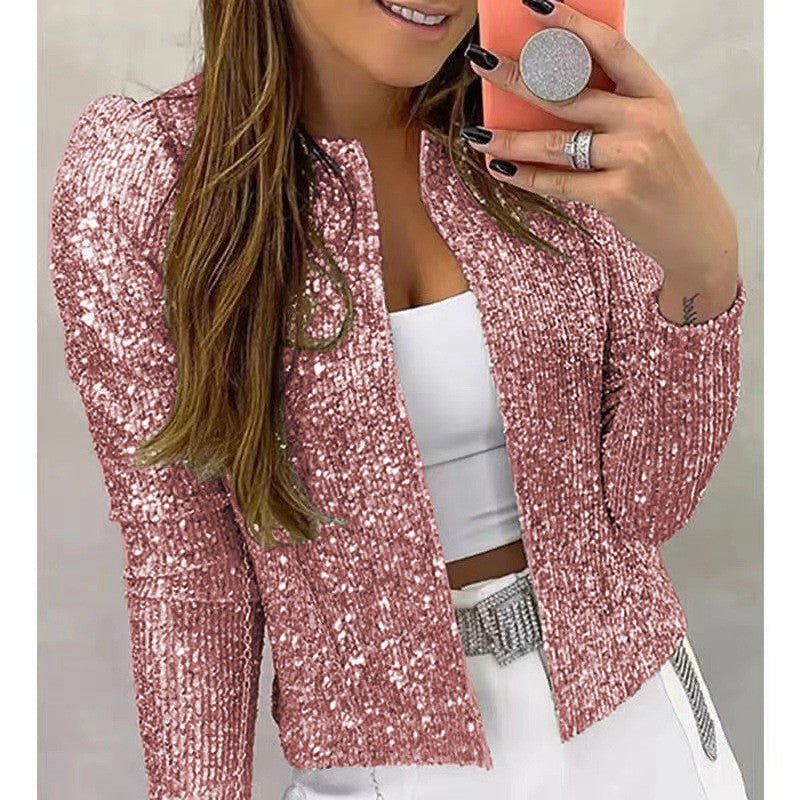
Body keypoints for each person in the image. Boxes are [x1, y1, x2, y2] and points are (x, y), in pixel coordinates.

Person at [48, 1, 750, 798]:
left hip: (642, 730)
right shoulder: (152, 176)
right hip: (387, 772)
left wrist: (703, 271)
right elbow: (188, 569)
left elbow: (651, 504)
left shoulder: (547, 122)